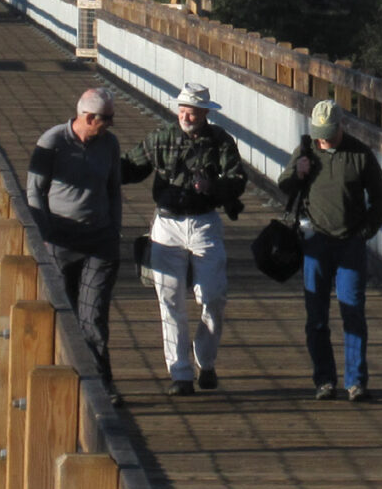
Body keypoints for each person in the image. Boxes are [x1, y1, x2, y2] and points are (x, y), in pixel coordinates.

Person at [124, 82, 248, 395]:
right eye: (182, 110)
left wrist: (213, 189)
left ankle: (205, 361)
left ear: (205, 113)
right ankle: (180, 374)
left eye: (191, 112)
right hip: (166, 223)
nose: (186, 116)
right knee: (169, 300)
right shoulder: (161, 138)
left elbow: (236, 180)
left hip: (205, 223)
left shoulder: (220, 142)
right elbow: (131, 167)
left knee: (213, 296)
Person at [25, 88, 142, 404]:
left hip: (100, 242)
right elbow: (35, 191)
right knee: (64, 312)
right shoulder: (52, 143)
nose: (111, 125)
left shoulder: (110, 144)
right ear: (88, 118)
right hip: (60, 242)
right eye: (107, 119)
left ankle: (103, 385)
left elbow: (113, 190)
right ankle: (66, 382)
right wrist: (45, 232)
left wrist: (115, 229)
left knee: (93, 315)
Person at [277, 100, 382, 401]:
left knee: (352, 311)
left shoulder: (359, 155)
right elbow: (283, 185)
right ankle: (324, 379)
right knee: (316, 315)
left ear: (341, 126)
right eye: (319, 132)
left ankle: (356, 381)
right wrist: (297, 173)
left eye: (328, 132)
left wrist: (365, 232)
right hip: (315, 240)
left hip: (350, 243)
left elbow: (380, 198)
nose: (323, 138)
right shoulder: (306, 151)